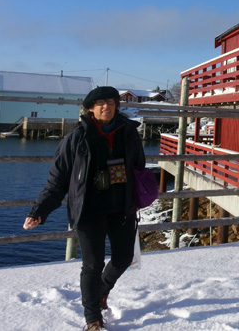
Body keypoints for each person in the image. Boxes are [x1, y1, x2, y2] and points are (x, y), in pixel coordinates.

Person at [23, 86, 146, 331]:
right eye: (100, 102)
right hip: (89, 210)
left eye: (111, 102)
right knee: (92, 264)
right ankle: (93, 319)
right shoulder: (77, 136)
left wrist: (140, 195)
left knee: (124, 258)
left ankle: (101, 290)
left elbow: (139, 168)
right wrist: (39, 210)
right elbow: (58, 179)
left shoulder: (129, 132)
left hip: (122, 207)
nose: (106, 106)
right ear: (90, 107)